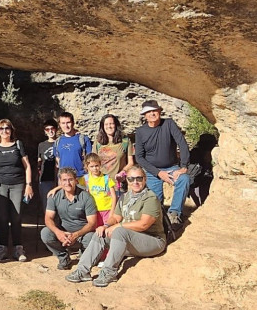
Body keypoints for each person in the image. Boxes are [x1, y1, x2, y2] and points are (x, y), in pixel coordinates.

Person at [65, 166, 166, 287]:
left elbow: (143, 224)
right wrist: (106, 225)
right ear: (127, 180)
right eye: (131, 179)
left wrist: (119, 226)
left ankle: (109, 272)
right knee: (100, 234)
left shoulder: (150, 198)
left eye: (139, 178)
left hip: (152, 240)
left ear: (145, 180)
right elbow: (116, 217)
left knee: (120, 231)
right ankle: (82, 271)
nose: (135, 182)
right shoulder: (125, 197)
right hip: (130, 240)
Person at [134, 100, 191, 228]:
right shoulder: (141, 132)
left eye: (155, 110)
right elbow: (139, 157)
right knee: (156, 204)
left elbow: (182, 144)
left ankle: (174, 213)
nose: (152, 113)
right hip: (152, 171)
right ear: (144, 115)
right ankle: (160, 222)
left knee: (184, 179)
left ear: (160, 111)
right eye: (149, 112)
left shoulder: (169, 124)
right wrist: (158, 173)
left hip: (171, 167)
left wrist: (183, 166)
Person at [0, 119, 33, 262]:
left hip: (17, 184)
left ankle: (18, 248)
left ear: (11, 130)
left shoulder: (18, 145)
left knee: (16, 216)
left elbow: (27, 166)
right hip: (0, 186)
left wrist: (29, 184)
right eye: (1, 129)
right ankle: (2, 247)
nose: (4, 131)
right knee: (2, 217)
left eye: (7, 128)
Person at [40, 167, 97, 269]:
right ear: (60, 182)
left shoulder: (86, 197)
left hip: (82, 234)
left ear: (76, 180)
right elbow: (48, 218)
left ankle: (84, 256)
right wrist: (58, 233)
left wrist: (76, 235)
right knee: (45, 233)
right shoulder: (54, 197)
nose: (68, 183)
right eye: (64, 180)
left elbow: (92, 223)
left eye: (70, 179)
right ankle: (64, 257)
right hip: (63, 234)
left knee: (92, 237)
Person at [93, 114, 134, 188]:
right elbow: (93, 163)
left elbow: (131, 163)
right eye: (106, 124)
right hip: (101, 184)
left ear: (116, 125)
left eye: (111, 123)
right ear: (102, 126)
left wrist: (123, 172)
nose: (109, 126)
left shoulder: (125, 141)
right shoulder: (98, 142)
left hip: (118, 184)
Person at [79, 154, 117, 227]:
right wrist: (56, 188)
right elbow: (73, 183)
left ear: (100, 164)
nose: (95, 168)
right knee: (96, 230)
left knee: (107, 229)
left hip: (107, 209)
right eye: (92, 166)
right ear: (87, 167)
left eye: (96, 166)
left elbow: (113, 196)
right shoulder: (85, 179)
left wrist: (112, 212)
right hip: (93, 211)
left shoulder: (106, 178)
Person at [55, 112, 92, 177]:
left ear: (73, 123)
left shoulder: (83, 139)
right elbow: (58, 161)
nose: (66, 126)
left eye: (68, 122)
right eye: (63, 123)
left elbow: (90, 160)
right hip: (64, 179)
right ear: (59, 124)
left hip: (81, 178)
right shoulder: (57, 142)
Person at [37, 119, 59, 201]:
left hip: (59, 178)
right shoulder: (41, 145)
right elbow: (39, 160)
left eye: (52, 128)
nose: (50, 131)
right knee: (46, 205)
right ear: (44, 131)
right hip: (45, 179)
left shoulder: (61, 142)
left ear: (56, 129)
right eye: (47, 129)